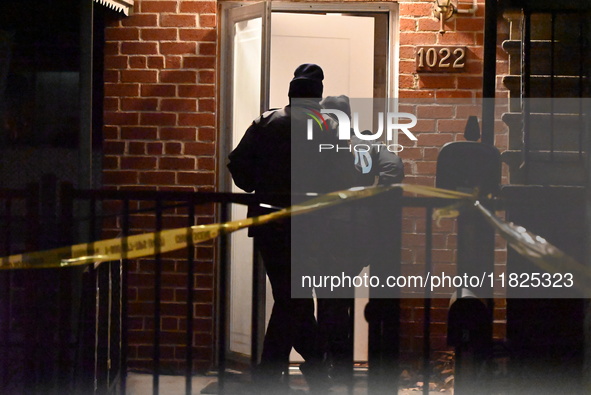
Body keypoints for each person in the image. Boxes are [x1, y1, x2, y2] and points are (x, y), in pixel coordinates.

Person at [227, 64, 355, 393]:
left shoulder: (266, 120)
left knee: (290, 298)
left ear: (291, 92)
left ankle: (290, 373)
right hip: (315, 225)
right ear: (318, 95)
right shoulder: (329, 125)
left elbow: (238, 166)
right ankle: (278, 374)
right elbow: (346, 175)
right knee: (294, 300)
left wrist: (261, 184)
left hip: (271, 224)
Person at [316, 95, 405, 383]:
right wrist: (376, 201)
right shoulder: (365, 144)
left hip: (322, 230)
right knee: (339, 297)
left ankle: (331, 365)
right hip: (356, 231)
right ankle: (335, 365)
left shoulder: (319, 146)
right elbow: (394, 166)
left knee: (327, 300)